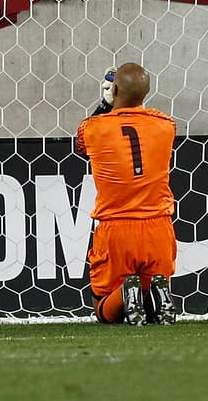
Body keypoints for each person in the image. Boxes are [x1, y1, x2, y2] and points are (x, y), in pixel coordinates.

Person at [76, 61, 177, 325]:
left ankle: (125, 293)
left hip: (116, 230)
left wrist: (105, 103)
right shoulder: (167, 126)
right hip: (159, 230)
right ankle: (157, 292)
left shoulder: (93, 128)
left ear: (115, 89)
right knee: (150, 299)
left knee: (103, 309)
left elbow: (78, 146)